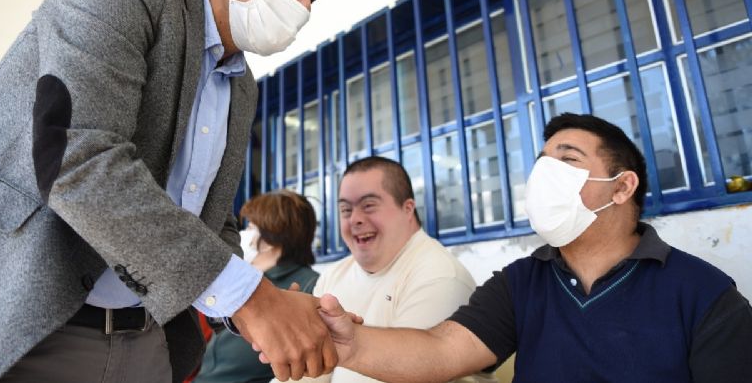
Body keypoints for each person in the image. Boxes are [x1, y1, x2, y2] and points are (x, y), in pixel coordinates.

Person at [0, 0, 334, 382]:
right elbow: (78, 154)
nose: (302, 6)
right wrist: (250, 298)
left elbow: (212, 219)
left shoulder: (242, 86)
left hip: (149, 339)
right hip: (27, 320)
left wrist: (260, 309)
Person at [312, 114, 752, 383]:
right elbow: (441, 351)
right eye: (542, 161)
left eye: (567, 160)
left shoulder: (702, 293)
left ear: (621, 187)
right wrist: (351, 346)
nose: (544, 173)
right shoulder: (521, 282)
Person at [288, 157, 495, 383]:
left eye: (368, 206)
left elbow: (410, 373)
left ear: (408, 209)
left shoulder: (440, 276)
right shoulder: (334, 274)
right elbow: (311, 373)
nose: (355, 219)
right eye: (346, 209)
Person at [194, 190, 321, 383]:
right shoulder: (241, 282)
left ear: (270, 238)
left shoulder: (310, 286)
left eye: (252, 227)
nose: (243, 235)